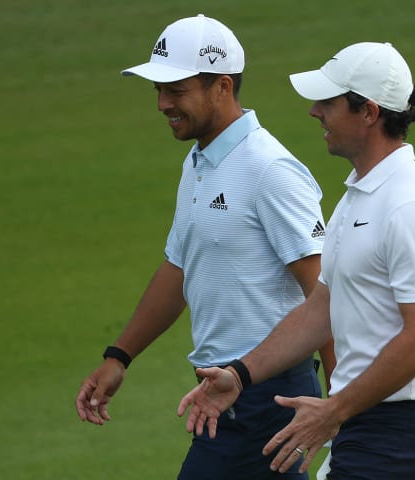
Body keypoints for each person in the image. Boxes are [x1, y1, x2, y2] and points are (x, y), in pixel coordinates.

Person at [178, 42, 415, 480]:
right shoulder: (357, 197)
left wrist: (333, 410)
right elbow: (322, 309)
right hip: (368, 428)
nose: (314, 112)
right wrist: (241, 376)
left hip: (404, 434)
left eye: (328, 102)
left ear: (369, 112)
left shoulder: (411, 204)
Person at [74, 14, 335, 480]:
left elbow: (328, 295)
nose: (161, 104)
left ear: (222, 87)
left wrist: (339, 408)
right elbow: (180, 269)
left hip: (269, 399)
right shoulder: (198, 163)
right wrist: (119, 356)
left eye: (176, 90)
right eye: (158, 90)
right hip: (226, 394)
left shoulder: (269, 170)